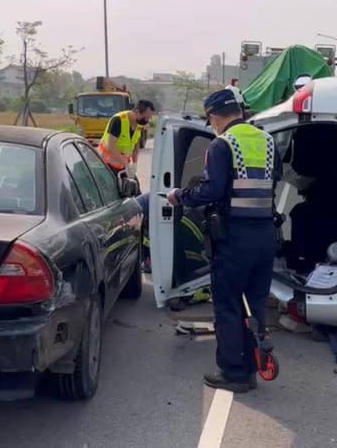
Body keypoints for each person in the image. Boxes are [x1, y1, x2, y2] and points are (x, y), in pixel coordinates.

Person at [167, 89, 281, 393]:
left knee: (229, 305)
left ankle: (233, 374)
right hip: (265, 236)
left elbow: (212, 190)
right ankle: (251, 368)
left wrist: (180, 197)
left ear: (215, 117)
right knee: (254, 304)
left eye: (211, 120)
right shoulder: (268, 141)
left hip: (234, 238)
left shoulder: (223, 145)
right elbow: (275, 180)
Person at [97, 100, 155, 173]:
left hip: (121, 165)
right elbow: (111, 146)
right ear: (137, 112)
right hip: (106, 165)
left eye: (149, 118)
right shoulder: (118, 120)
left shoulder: (139, 124)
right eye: (145, 118)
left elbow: (136, 145)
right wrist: (127, 164)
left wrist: (134, 163)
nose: (147, 121)